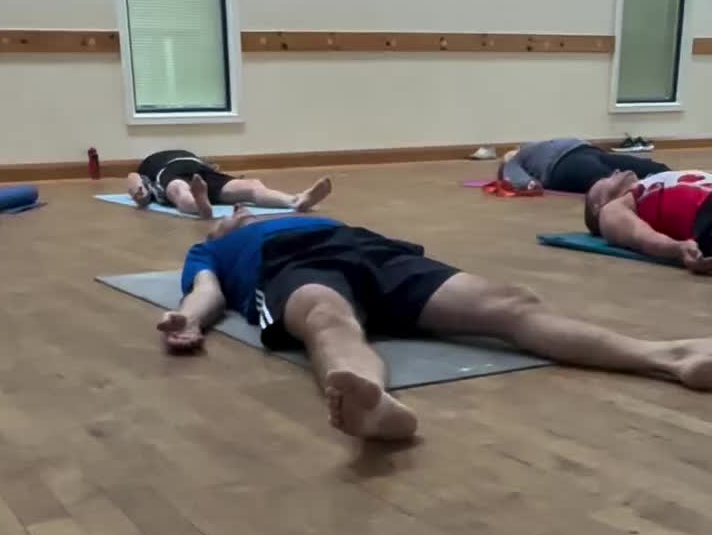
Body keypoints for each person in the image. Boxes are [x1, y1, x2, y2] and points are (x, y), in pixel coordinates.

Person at [156, 207, 712, 442]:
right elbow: (205, 292)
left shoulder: (300, 216)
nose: (233, 215)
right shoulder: (213, 250)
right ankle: (370, 400)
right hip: (293, 268)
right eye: (224, 219)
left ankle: (669, 356)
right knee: (327, 319)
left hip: (376, 253)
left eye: (235, 212)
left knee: (510, 302)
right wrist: (190, 320)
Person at [126, 149, 332, 220]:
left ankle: (297, 200)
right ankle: (293, 200)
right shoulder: (147, 166)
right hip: (177, 171)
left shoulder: (155, 163)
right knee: (180, 189)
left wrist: (139, 194)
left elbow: (133, 180)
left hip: (199, 169)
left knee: (251, 185)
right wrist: (140, 193)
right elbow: (133, 178)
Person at [585, 169, 712, 274]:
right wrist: (679, 248)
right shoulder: (610, 210)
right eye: (606, 179)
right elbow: (640, 235)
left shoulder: (650, 181)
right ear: (597, 206)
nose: (616, 171)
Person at [499, 139, 669, 194]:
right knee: (607, 178)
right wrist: (529, 184)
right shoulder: (515, 160)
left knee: (640, 165)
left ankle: (672, 177)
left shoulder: (531, 148)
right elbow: (515, 177)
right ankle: (648, 192)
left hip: (588, 151)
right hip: (562, 164)